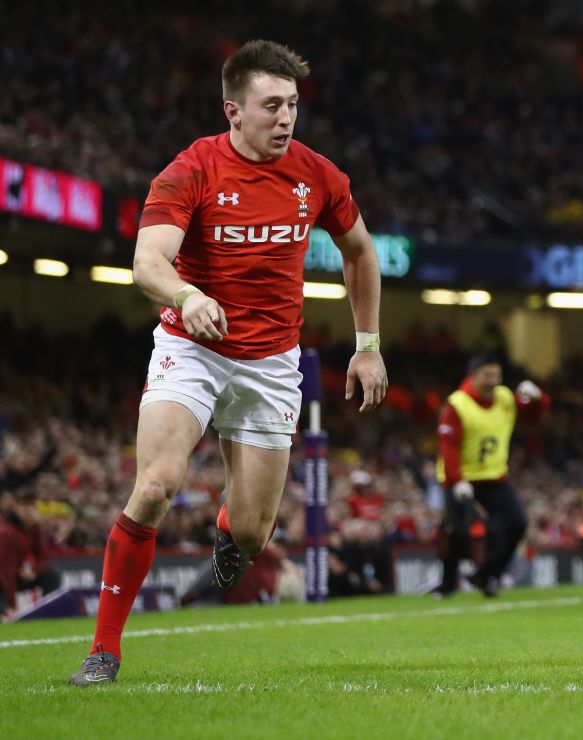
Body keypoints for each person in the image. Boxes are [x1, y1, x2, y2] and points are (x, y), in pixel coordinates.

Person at [69, 40, 388, 685]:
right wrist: (186, 297)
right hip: (193, 348)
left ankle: (228, 529)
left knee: (251, 534)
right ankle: (104, 650)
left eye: (293, 105)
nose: (285, 118)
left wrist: (368, 344)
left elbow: (359, 252)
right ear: (232, 111)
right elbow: (148, 261)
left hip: (272, 362)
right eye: (271, 105)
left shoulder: (316, 175)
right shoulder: (190, 171)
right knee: (155, 486)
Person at [435, 355, 548, 597]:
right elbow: (449, 446)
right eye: (487, 376)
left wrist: (539, 399)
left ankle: (487, 575)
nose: (493, 381)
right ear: (473, 376)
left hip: (494, 477)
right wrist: (456, 481)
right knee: (457, 530)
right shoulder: (457, 404)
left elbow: (533, 417)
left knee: (517, 523)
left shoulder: (505, 397)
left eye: (496, 376)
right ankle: (447, 584)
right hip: (462, 479)